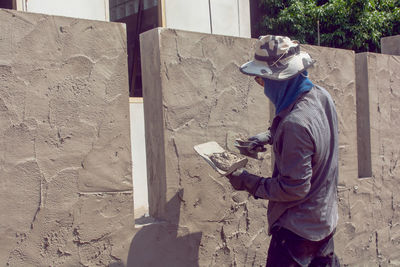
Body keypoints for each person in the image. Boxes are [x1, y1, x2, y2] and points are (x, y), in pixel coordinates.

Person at [228, 35, 340, 267]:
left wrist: (248, 182)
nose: (262, 86)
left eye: (262, 80)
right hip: (324, 223)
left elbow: (295, 188)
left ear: (279, 79)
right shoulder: (321, 96)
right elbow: (310, 134)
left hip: (297, 235)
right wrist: (270, 135)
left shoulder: (294, 125)